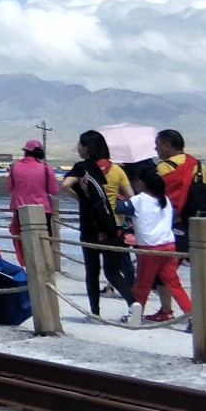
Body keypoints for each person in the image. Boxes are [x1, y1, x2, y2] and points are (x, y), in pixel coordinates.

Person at [63, 130, 135, 318]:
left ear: (86, 148)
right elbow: (130, 196)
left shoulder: (82, 168)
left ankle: (95, 312)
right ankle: (133, 304)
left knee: (92, 270)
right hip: (113, 226)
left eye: (80, 145)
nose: (78, 149)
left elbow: (64, 185)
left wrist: (82, 199)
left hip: (90, 226)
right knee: (113, 272)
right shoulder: (117, 170)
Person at [127, 164, 191, 325]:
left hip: (150, 248)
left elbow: (118, 209)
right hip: (168, 246)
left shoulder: (138, 200)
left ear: (141, 183)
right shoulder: (165, 200)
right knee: (174, 284)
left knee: (142, 284)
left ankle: (135, 316)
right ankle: (191, 315)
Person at [5, 139, 61, 258]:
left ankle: (28, 266)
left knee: (23, 241)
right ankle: (43, 266)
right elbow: (54, 190)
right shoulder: (46, 169)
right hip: (43, 210)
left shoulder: (15, 167)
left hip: (20, 209)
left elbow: (10, 187)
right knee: (44, 241)